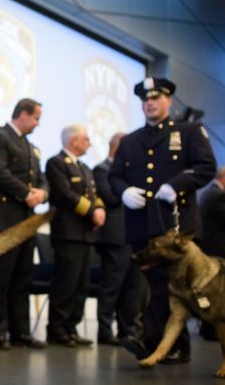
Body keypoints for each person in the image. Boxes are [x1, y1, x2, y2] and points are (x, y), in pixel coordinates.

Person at [109, 77, 216, 364]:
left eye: (155, 98)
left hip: (176, 227)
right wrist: (124, 191)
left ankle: (154, 341)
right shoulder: (130, 141)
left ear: (168, 100)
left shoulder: (189, 131)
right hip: (142, 224)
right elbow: (114, 176)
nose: (150, 103)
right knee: (156, 286)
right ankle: (168, 344)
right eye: (145, 100)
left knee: (168, 287)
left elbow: (207, 167)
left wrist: (177, 184)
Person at [0, 98, 48, 350]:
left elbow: (42, 179)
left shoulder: (31, 147)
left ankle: (20, 332)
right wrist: (25, 193)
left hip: (25, 222)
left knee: (22, 279)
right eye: (36, 117)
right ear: (23, 114)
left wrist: (42, 194)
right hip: (3, 220)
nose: (38, 123)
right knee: (1, 279)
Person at [45, 123, 105, 347]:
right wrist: (92, 212)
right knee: (65, 284)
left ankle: (71, 327)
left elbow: (95, 194)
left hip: (86, 234)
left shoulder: (85, 168)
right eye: (86, 139)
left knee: (81, 285)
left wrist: (100, 210)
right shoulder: (57, 163)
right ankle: (57, 330)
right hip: (67, 233)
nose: (89, 143)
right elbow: (64, 194)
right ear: (74, 140)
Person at [93, 133, 141, 345]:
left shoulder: (128, 173)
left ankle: (126, 330)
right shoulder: (102, 170)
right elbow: (110, 197)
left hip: (133, 236)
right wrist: (126, 188)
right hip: (114, 237)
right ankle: (104, 331)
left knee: (132, 287)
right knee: (111, 286)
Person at [198, 166, 225, 340]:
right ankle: (211, 330)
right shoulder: (217, 196)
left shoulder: (209, 192)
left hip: (210, 250)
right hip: (217, 252)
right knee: (215, 293)